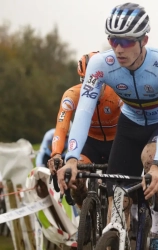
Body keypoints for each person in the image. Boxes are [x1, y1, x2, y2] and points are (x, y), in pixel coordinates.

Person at [57, 3, 158, 249]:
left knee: (150, 157)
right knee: (117, 195)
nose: (118, 48)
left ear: (144, 39)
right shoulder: (100, 64)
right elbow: (83, 111)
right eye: (113, 40)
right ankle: (117, 233)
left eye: (126, 41)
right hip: (130, 122)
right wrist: (71, 158)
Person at [48, 51, 122, 207]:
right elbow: (61, 127)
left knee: (120, 189)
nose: (91, 87)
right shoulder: (72, 95)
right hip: (89, 143)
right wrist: (56, 154)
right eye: (86, 82)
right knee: (77, 183)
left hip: (117, 142)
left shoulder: (118, 93)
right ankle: (86, 224)